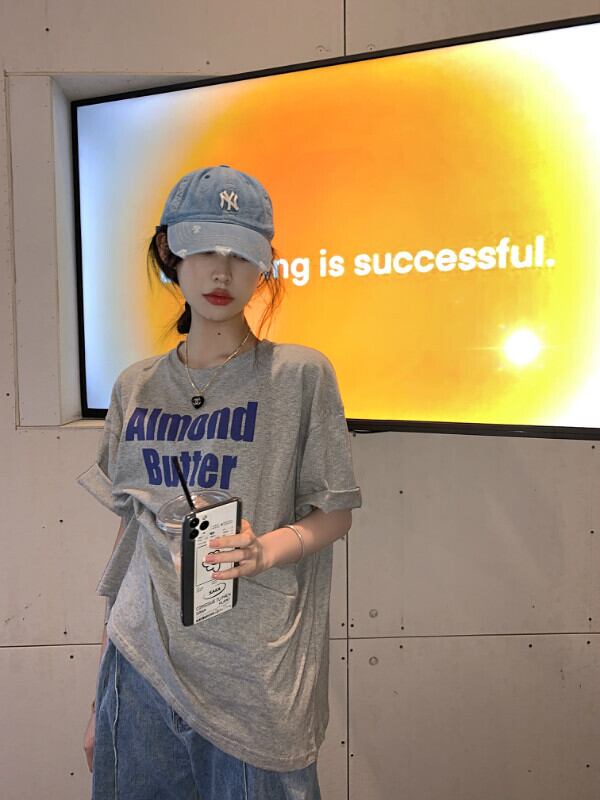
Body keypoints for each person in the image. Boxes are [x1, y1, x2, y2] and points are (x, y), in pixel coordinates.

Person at [78, 164, 361, 800]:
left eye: (239, 254)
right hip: (140, 666)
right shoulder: (135, 386)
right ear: (169, 254)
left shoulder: (300, 376)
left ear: (263, 266)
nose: (221, 272)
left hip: (255, 673)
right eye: (204, 249)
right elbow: (130, 540)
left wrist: (265, 550)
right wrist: (99, 695)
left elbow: (335, 512)